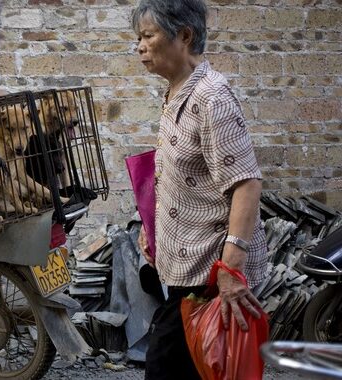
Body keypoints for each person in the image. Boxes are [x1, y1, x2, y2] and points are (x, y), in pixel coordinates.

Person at [132, 1, 268, 378]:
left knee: (167, 368)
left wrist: (230, 269)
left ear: (184, 35)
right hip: (184, 270)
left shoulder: (212, 98)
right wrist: (153, 227)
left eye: (147, 36)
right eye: (138, 38)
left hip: (208, 275)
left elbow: (246, 183)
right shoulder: (178, 92)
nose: (139, 47)